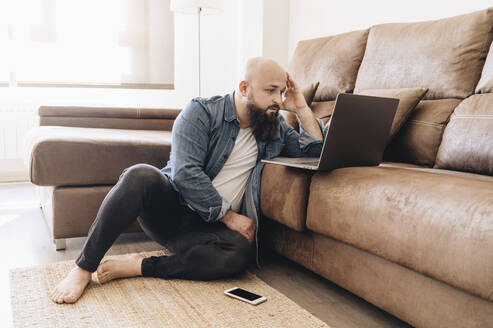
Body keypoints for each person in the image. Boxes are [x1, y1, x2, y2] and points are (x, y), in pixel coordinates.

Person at [48, 57, 327, 304]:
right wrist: (228, 216)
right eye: (270, 91)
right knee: (139, 174)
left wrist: (301, 108)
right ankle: (83, 269)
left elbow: (315, 154)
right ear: (244, 88)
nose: (278, 100)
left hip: (203, 232)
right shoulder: (202, 112)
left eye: (280, 91)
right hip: (171, 210)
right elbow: (185, 173)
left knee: (240, 254)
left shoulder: (274, 126)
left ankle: (141, 266)